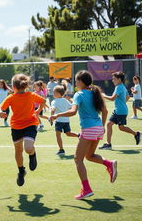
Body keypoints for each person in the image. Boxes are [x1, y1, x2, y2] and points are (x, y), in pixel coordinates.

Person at [50, 70, 117, 200]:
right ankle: (109, 164)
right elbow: (105, 111)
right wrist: (102, 126)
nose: (75, 83)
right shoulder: (94, 92)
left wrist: (58, 115)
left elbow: (73, 111)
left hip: (88, 129)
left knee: (78, 159)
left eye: (76, 80)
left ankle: (86, 189)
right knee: (89, 156)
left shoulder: (79, 94)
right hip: (98, 128)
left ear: (81, 82)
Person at [0, 74, 46, 187]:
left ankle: (32, 154)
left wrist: (38, 111)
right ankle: (21, 171)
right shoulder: (11, 97)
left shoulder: (31, 95)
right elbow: (1, 107)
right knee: (18, 150)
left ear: (13, 86)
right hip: (16, 126)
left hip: (30, 124)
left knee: (28, 148)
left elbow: (43, 101)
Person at [99, 71, 142, 150]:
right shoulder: (122, 86)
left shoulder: (119, 87)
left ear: (119, 79)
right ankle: (108, 144)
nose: (112, 80)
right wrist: (122, 103)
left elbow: (112, 98)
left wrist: (103, 95)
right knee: (109, 124)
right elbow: (128, 96)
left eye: (114, 79)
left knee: (121, 127)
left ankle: (136, 134)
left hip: (121, 111)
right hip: (118, 110)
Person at [50, 85, 78, 155]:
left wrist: (52, 117)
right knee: (68, 133)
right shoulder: (65, 100)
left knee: (58, 135)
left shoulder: (54, 101)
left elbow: (53, 109)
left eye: (54, 92)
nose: (53, 94)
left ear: (58, 93)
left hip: (59, 121)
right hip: (66, 121)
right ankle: (79, 135)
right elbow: (71, 107)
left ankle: (61, 149)